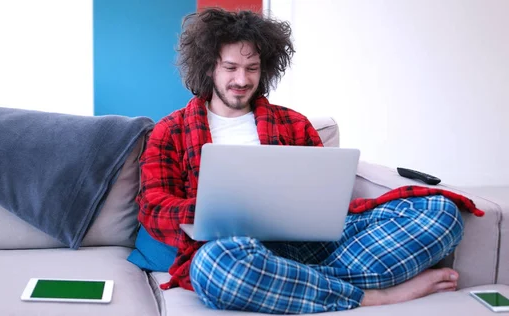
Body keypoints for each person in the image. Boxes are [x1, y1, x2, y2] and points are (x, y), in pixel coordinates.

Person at [136, 8, 465, 314]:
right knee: (214, 267)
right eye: (231, 68)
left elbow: (321, 196)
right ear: (209, 67)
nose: (241, 80)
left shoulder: (294, 124)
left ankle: (290, 283)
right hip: (232, 248)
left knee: (443, 213)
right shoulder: (171, 131)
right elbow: (152, 208)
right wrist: (221, 210)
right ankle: (370, 295)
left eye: (252, 69)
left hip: (309, 244)